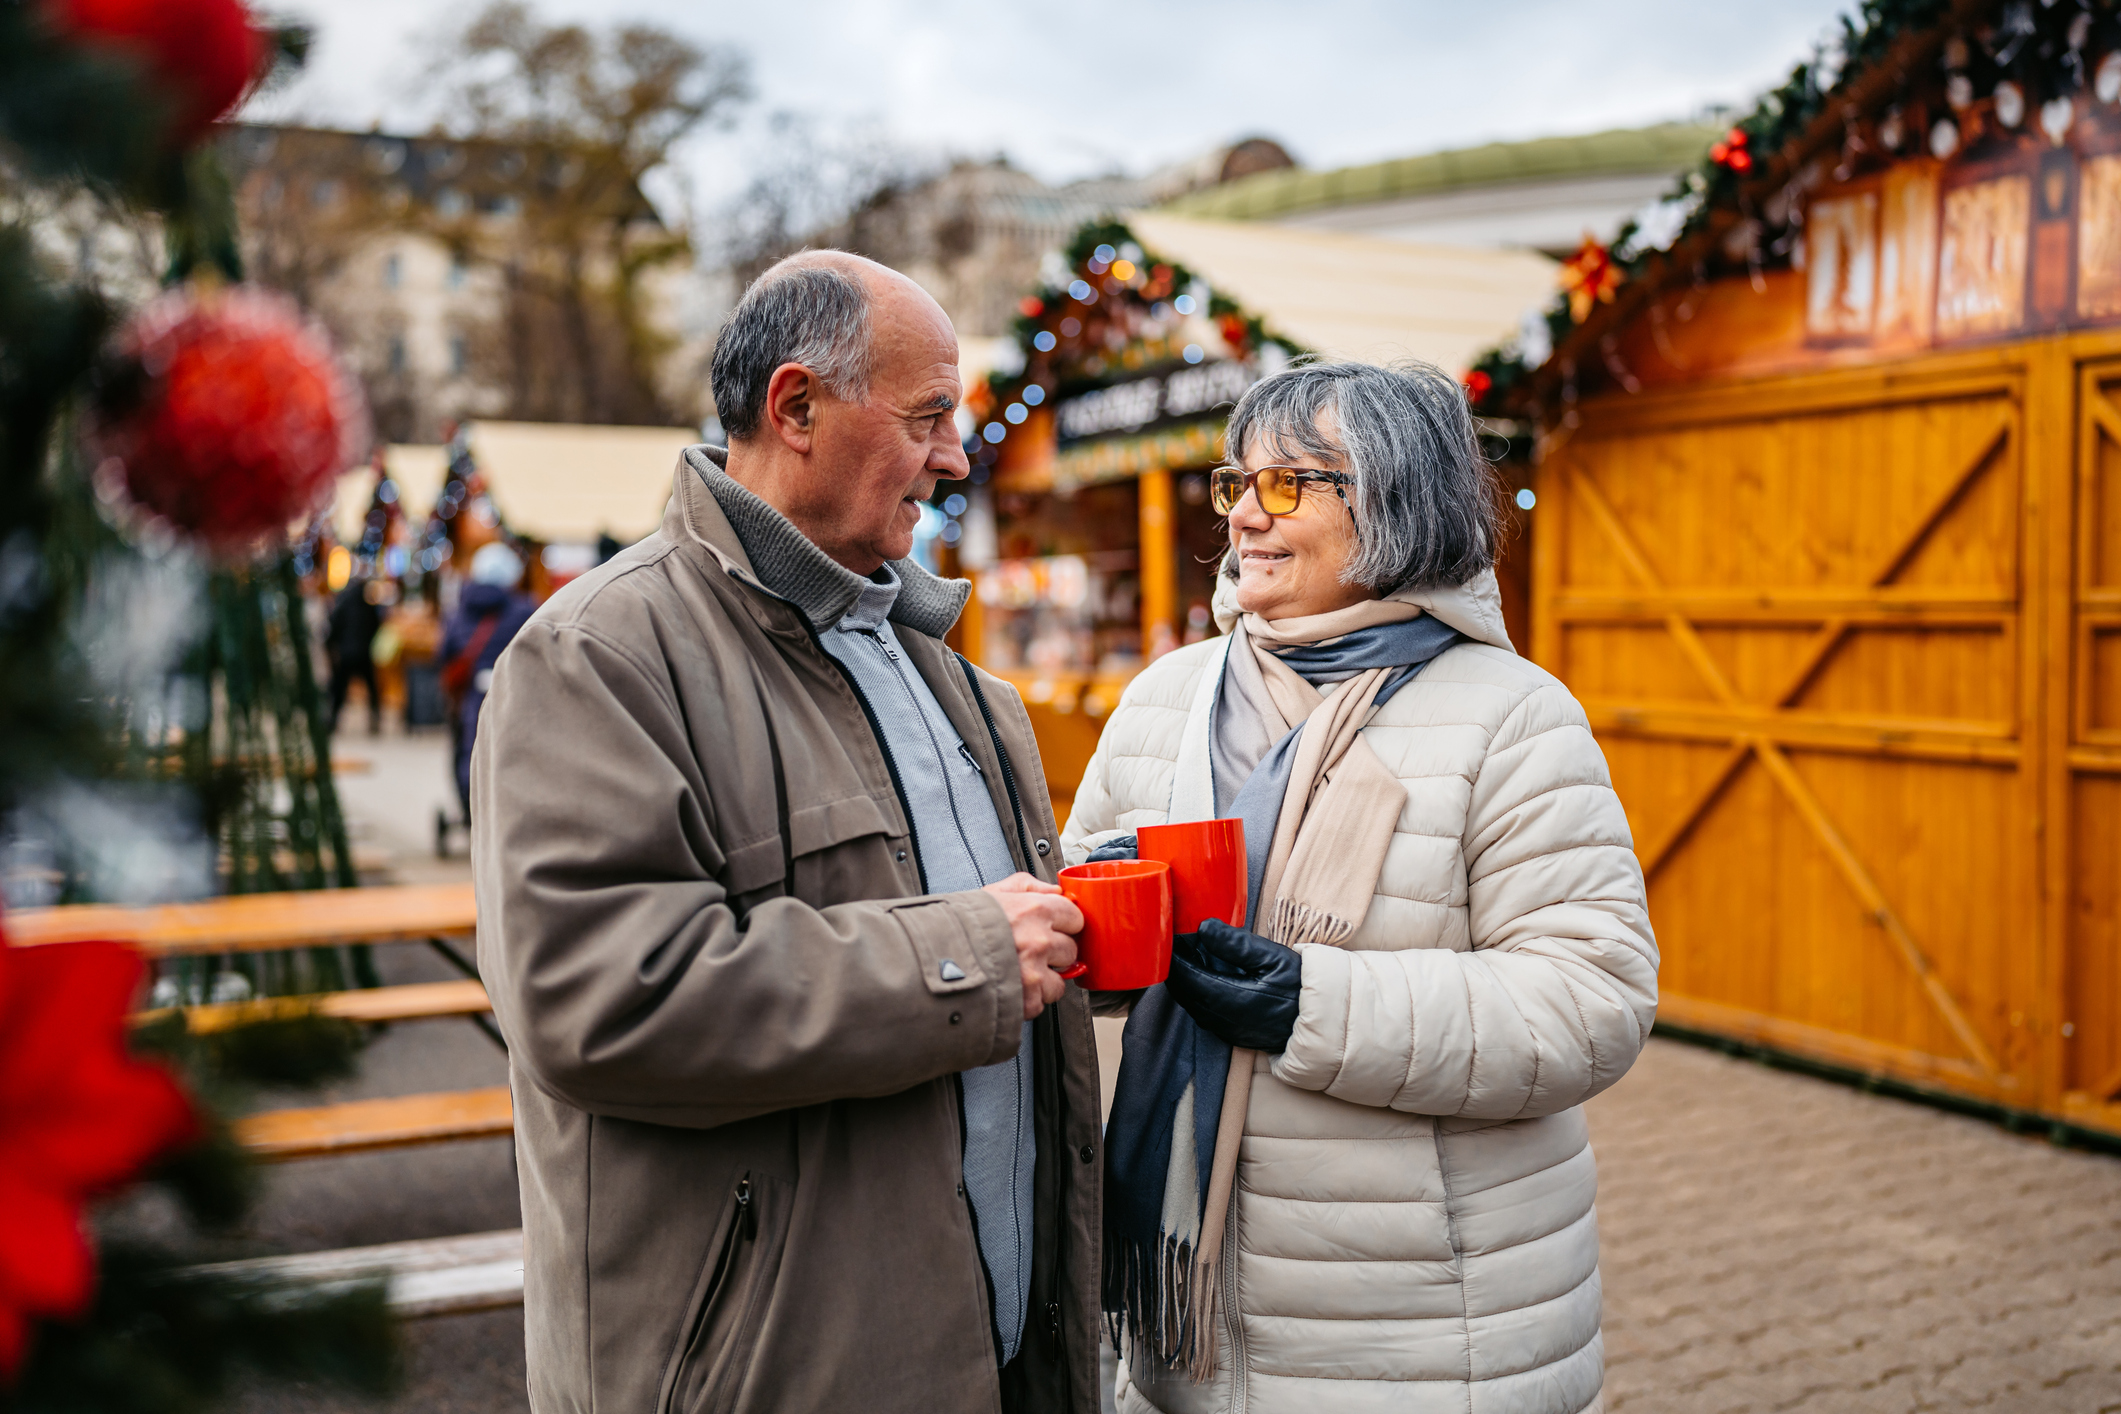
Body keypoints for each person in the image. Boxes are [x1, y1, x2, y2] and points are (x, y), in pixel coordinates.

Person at [472, 251, 1103, 1414]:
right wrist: (965, 954)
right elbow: (598, 1001)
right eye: (928, 417)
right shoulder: (596, 656)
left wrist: (1078, 931)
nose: (956, 456)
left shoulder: (946, 671)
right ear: (797, 407)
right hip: (770, 1376)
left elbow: (993, 943)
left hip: (999, 1365)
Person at [1063, 361, 1658, 1414]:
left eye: (1287, 484)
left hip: (1424, 1328)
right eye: (1236, 483)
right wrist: (1093, 921)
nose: (1243, 515)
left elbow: (1591, 1001)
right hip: (1187, 1325)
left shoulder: (1512, 716)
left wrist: (1312, 1003)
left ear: (1396, 501)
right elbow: (1082, 952)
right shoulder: (1167, 699)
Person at [437, 541, 536, 819]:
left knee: (467, 749)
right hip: (515, 695)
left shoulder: (458, 611)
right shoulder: (524, 610)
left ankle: (470, 810)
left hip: (469, 695)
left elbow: (443, 653)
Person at [324, 574, 384, 734]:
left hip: (346, 653)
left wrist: (333, 645)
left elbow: (334, 625)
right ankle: (375, 719)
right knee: (371, 688)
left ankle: (333, 719)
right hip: (364, 652)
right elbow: (376, 625)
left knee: (339, 688)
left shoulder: (343, 604)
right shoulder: (367, 605)